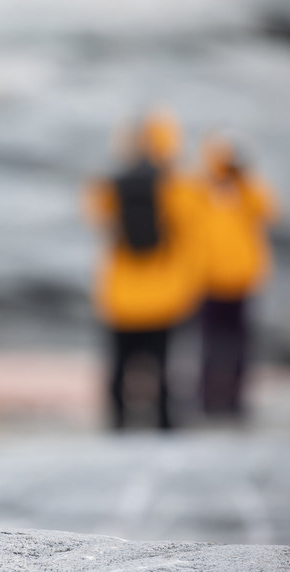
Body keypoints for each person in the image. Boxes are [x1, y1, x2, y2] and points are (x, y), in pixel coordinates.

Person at [84, 110, 203, 430]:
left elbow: (94, 214)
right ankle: (166, 428)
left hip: (121, 296)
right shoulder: (179, 187)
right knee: (164, 369)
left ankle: (117, 427)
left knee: (119, 369)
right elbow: (193, 228)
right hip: (165, 296)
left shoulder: (114, 185)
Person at [196, 134, 278, 418]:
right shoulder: (199, 190)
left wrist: (244, 180)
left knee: (239, 347)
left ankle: (235, 401)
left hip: (241, 282)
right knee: (208, 345)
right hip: (207, 282)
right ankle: (207, 400)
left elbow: (270, 210)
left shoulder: (246, 191)